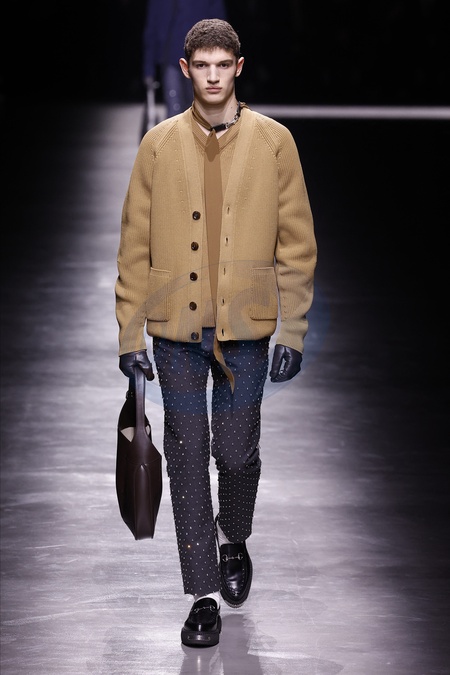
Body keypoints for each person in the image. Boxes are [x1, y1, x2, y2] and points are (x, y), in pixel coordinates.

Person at [115, 19, 317, 648]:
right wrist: (129, 335)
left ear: (238, 68)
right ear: (185, 69)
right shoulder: (157, 145)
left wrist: (294, 330)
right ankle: (202, 595)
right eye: (200, 65)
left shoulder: (275, 143)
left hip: (246, 326)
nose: (211, 76)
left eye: (221, 65)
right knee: (185, 455)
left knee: (234, 452)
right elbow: (134, 245)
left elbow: (298, 244)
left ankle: (235, 536)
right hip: (175, 328)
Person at [142, 0, 227, 127]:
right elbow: (152, 27)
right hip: (171, 59)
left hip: (200, 60)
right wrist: (148, 68)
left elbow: (220, 27)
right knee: (174, 114)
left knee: (199, 115)